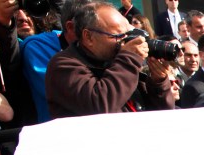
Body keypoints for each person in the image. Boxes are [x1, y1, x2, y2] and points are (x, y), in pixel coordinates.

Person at [46, 2, 174, 118]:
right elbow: (100, 106)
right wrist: (129, 58)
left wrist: (158, 84)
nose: (125, 42)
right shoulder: (63, 65)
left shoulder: (117, 61)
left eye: (127, 35)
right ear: (88, 37)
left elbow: (161, 116)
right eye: (118, 36)